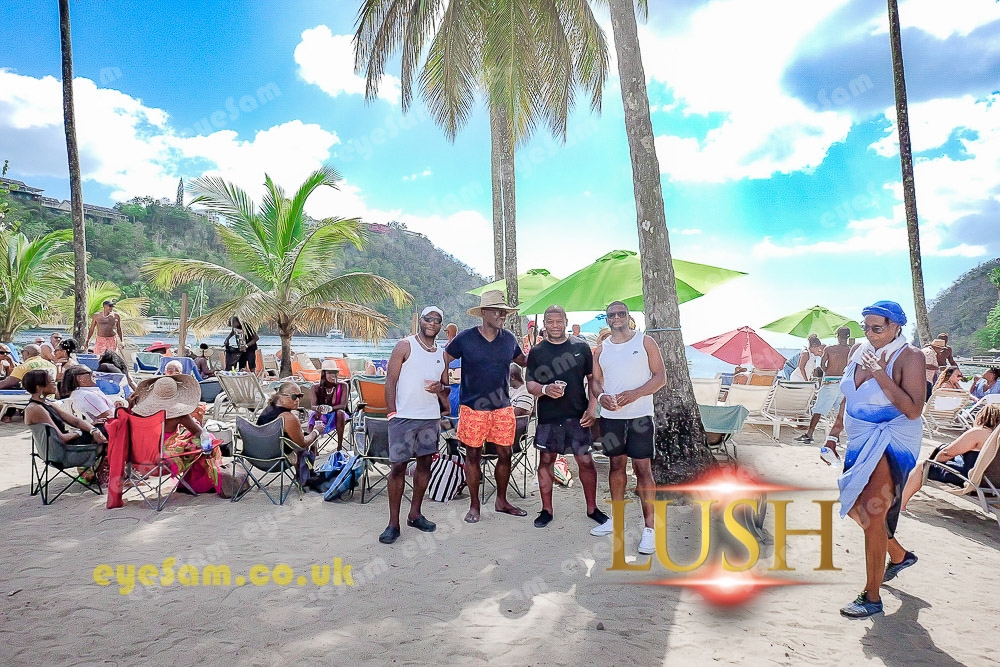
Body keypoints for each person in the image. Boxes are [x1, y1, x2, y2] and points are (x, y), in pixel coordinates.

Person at [825, 301, 925, 618]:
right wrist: (834, 432)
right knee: (857, 507)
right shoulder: (859, 350)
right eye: (865, 327)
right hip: (859, 438)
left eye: (877, 328)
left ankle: (872, 597)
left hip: (892, 438)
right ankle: (899, 554)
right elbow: (849, 395)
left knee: (871, 510)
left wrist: (880, 373)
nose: (869, 333)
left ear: (896, 326)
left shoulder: (910, 357)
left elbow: (913, 410)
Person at [588, 301, 666, 554]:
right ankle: (617, 519)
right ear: (607, 319)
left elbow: (660, 378)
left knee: (643, 469)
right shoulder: (601, 350)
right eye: (612, 314)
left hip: (640, 417)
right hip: (611, 418)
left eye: (621, 313)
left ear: (628, 316)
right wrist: (601, 398)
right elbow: (596, 382)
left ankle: (649, 530)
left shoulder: (645, 342)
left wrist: (635, 394)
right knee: (615, 466)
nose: (617, 317)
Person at [443, 290, 528, 523]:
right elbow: (443, 359)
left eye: (504, 312)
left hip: (502, 407)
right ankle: (474, 505)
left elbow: (524, 361)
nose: (502, 315)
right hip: (472, 408)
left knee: (506, 453)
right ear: (484, 313)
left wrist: (549, 353)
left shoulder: (509, 339)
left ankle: (502, 501)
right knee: (473, 455)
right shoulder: (466, 338)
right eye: (497, 311)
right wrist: (442, 385)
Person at [525, 305, 608, 530]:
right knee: (546, 461)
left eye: (558, 321)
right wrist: (545, 389)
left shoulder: (581, 347)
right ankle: (546, 510)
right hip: (549, 416)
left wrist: (592, 408)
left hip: (577, 415)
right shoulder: (537, 351)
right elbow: (530, 384)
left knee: (585, 461)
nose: (554, 325)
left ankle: (592, 508)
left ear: (566, 321)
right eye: (550, 321)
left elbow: (593, 379)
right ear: (544, 323)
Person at [380, 306, 449, 544]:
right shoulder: (405, 346)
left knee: (425, 465)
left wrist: (440, 388)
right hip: (403, 418)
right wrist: (392, 413)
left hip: (429, 418)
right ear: (421, 321)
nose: (432, 323)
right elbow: (390, 381)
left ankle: (415, 514)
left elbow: (446, 388)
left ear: (441, 326)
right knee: (398, 467)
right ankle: (393, 524)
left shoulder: (441, 353)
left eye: (437, 321)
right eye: (428, 319)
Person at [901, 405, 1000, 510]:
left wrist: (935, 463)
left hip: (971, 480)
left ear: (982, 416)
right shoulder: (997, 438)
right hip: (994, 486)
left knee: (922, 466)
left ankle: (901, 505)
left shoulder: (979, 432)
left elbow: (947, 453)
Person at [131, 374, 219, 493]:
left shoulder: (135, 416)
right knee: (207, 440)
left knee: (191, 440)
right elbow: (199, 432)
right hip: (163, 462)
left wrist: (130, 407)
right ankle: (198, 484)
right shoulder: (179, 415)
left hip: (138, 460)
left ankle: (188, 484)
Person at [23, 369, 108, 481]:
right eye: (51, 382)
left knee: (104, 427)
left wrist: (93, 429)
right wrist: (82, 431)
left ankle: (100, 471)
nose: (55, 384)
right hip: (60, 451)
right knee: (108, 430)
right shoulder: (36, 409)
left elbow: (76, 421)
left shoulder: (47, 404)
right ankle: (105, 472)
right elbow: (61, 438)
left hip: (59, 447)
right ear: (39, 387)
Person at [796, 327, 852, 443]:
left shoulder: (830, 349)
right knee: (840, 411)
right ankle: (836, 436)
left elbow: (822, 365)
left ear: (837, 336)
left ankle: (809, 435)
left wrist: (829, 372)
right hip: (842, 383)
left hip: (830, 382)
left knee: (818, 409)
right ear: (848, 336)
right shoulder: (850, 350)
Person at [258, 381, 322, 451]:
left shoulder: (268, 409)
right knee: (312, 442)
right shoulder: (289, 418)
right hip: (278, 455)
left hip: (261, 452)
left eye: (300, 396)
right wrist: (316, 431)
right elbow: (303, 444)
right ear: (281, 397)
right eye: (294, 396)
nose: (297, 400)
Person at [309, 360, 349, 450]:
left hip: (338, 416)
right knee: (314, 414)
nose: (333, 375)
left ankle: (339, 446)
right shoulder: (315, 387)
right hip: (321, 415)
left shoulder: (343, 386)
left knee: (340, 412)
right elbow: (313, 406)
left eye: (335, 372)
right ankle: (313, 446)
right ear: (323, 374)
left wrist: (330, 408)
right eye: (330, 372)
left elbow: (343, 405)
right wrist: (319, 408)